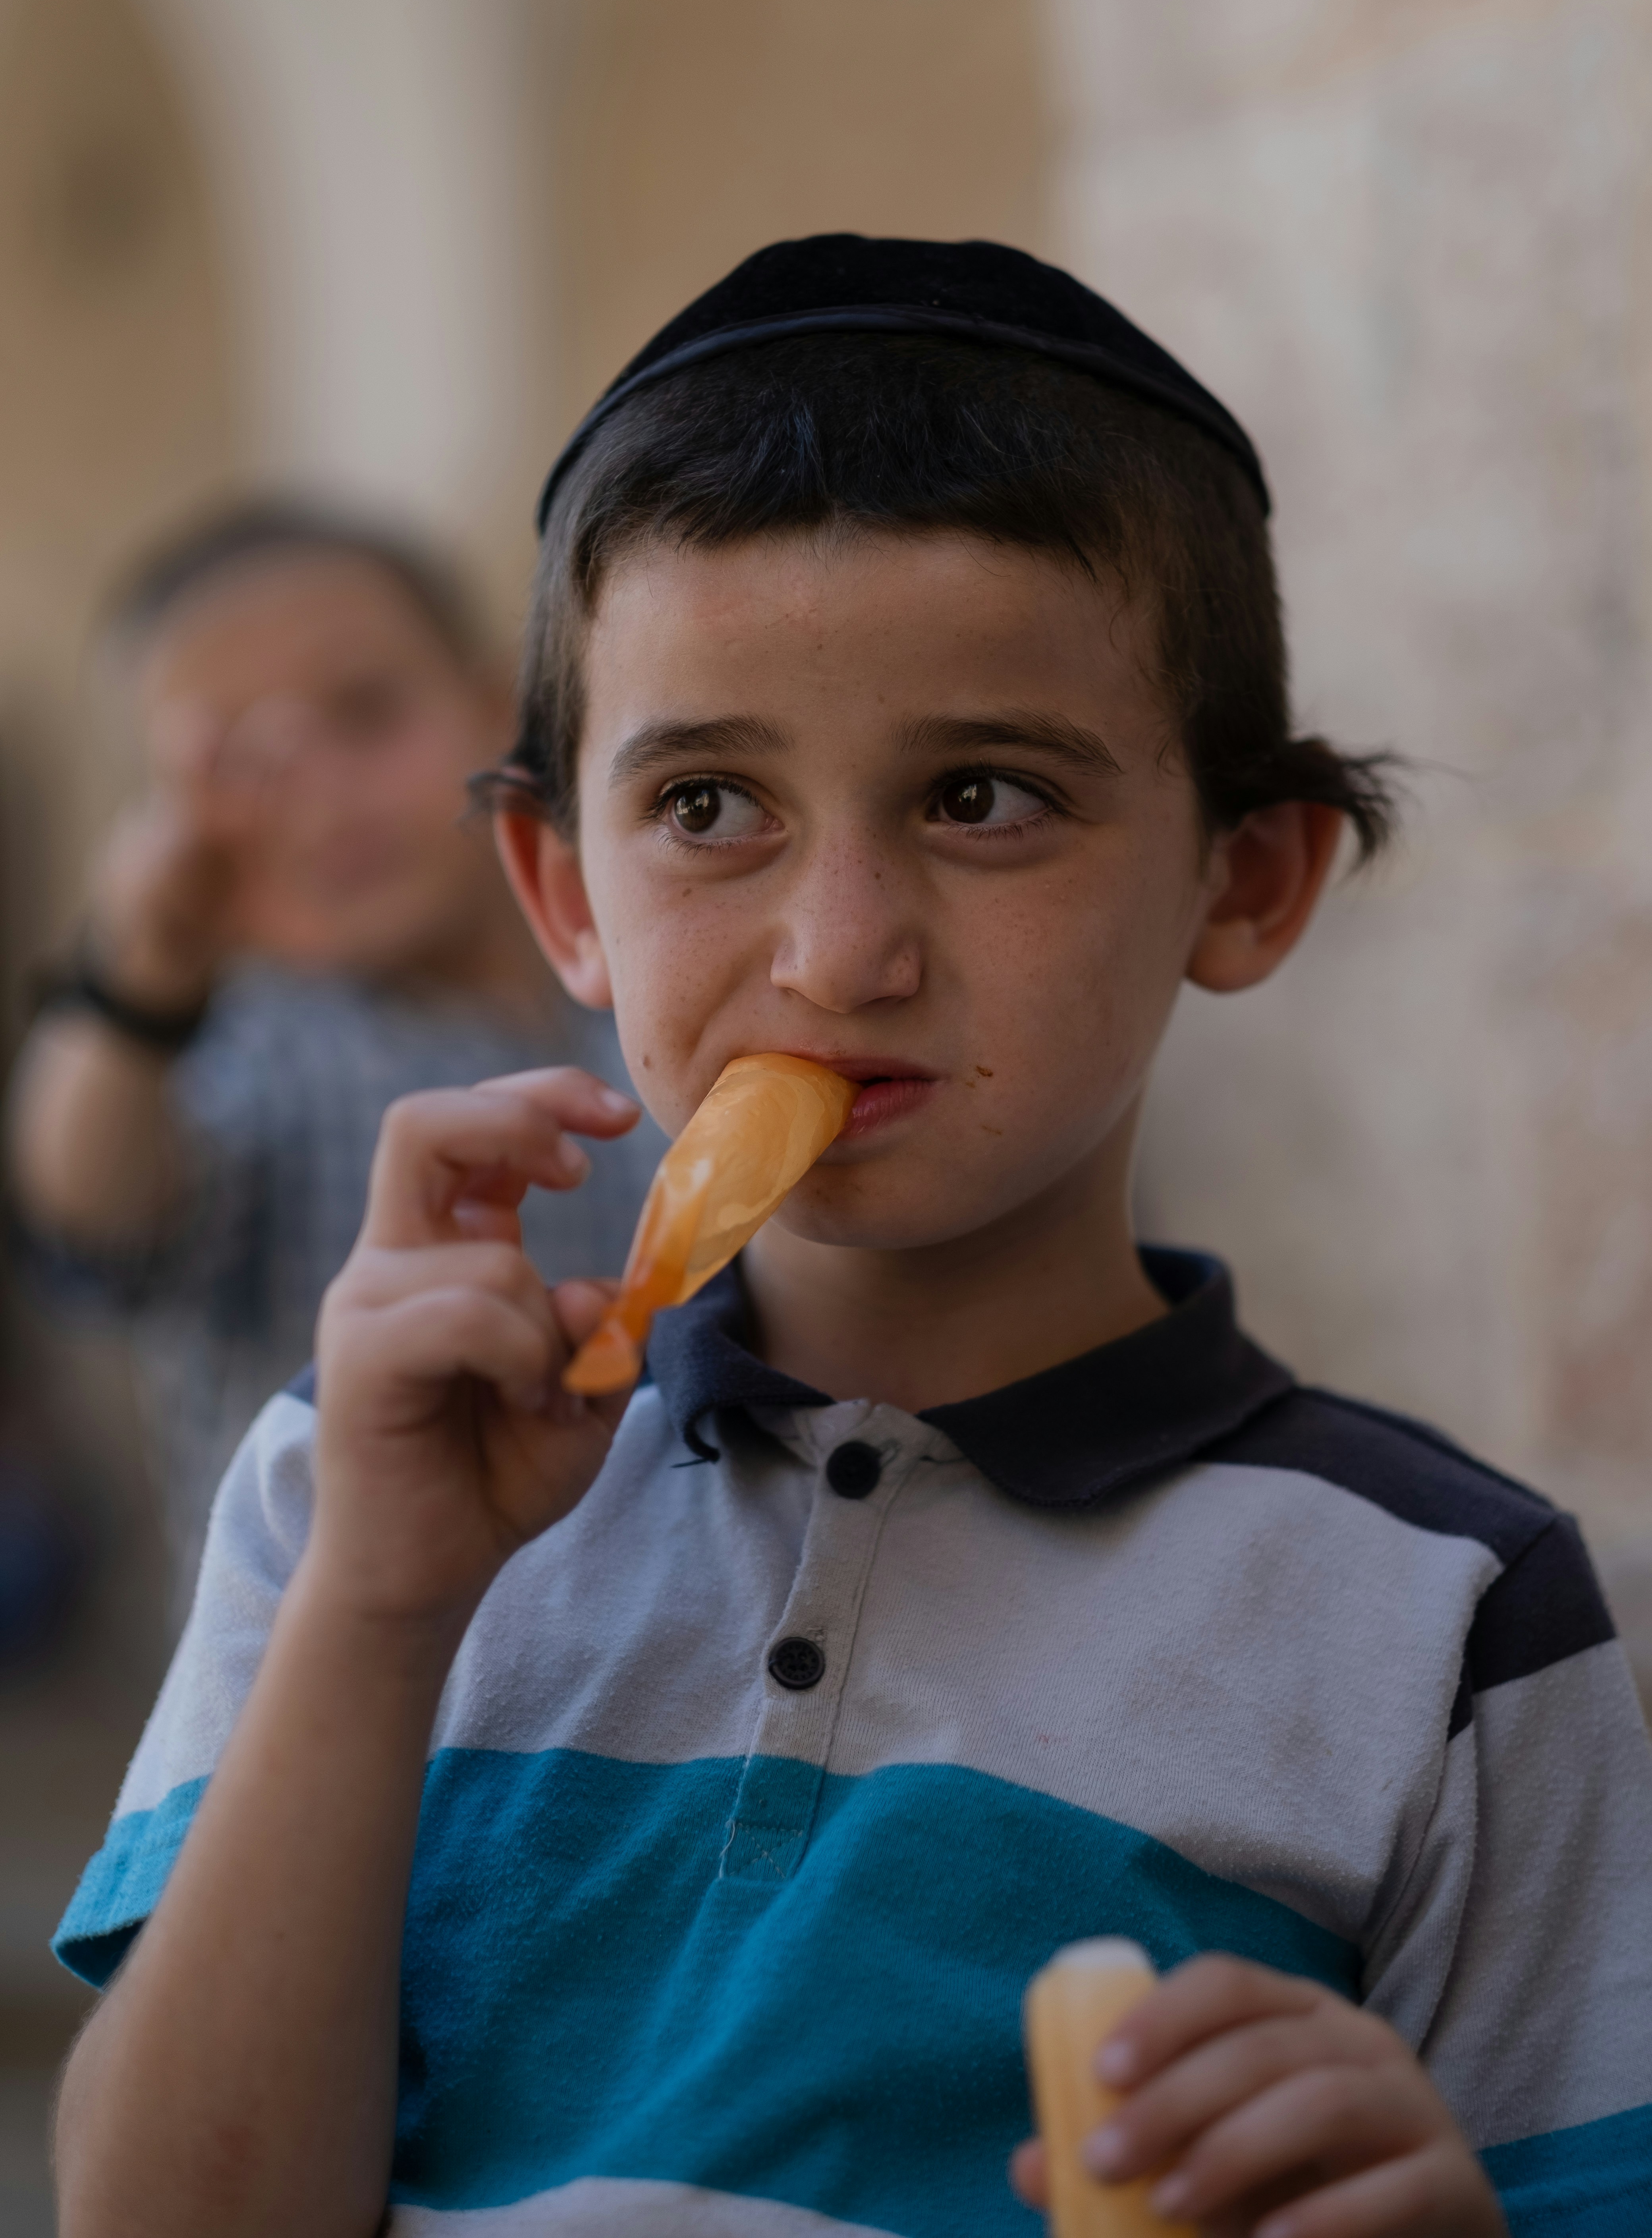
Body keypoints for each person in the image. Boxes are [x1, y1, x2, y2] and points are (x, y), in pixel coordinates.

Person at [50, 240, 1652, 2238]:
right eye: (710, 804)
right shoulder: (351, 1498)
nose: (836, 955)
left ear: (1242, 881)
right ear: (560, 893)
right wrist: (381, 1608)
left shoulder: (1446, 1618)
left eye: (982, 796)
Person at [6, 504, 660, 1622]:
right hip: (336, 1725)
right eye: (234, 762)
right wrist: (147, 972)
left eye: (365, 713)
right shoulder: (244, 1044)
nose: (320, 791)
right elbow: (90, 1207)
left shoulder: (642, 994)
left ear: (500, 702)